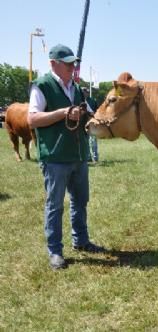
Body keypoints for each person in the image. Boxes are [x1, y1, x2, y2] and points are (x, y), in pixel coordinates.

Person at [27, 44, 105, 270]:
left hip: (79, 155)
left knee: (81, 201)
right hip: (55, 157)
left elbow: (89, 111)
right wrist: (63, 113)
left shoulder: (77, 88)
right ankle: (55, 251)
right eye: (68, 63)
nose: (73, 66)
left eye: (74, 63)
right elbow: (32, 119)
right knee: (55, 205)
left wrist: (92, 116)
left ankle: (80, 240)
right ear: (53, 64)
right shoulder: (42, 86)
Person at [82, 87, 99, 162]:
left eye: (87, 92)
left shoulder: (93, 100)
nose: (86, 93)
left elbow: (96, 111)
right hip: (83, 124)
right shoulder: (80, 100)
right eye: (85, 92)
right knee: (85, 141)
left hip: (92, 123)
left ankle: (95, 157)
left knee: (93, 141)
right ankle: (88, 157)